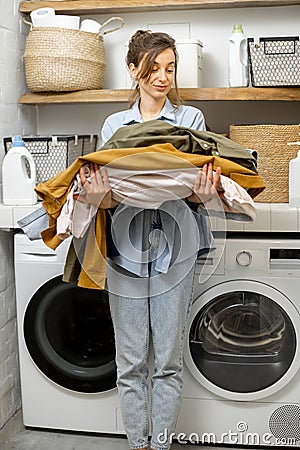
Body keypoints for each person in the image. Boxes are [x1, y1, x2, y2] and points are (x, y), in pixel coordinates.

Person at [78, 30, 222, 450]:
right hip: (125, 249)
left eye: (170, 68)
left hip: (177, 249)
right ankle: (138, 444)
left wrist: (205, 190)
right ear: (133, 70)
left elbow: (195, 191)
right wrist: (96, 195)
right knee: (132, 359)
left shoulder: (190, 120)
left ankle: (159, 445)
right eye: (153, 68)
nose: (163, 78)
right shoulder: (114, 126)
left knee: (168, 362)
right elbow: (106, 202)